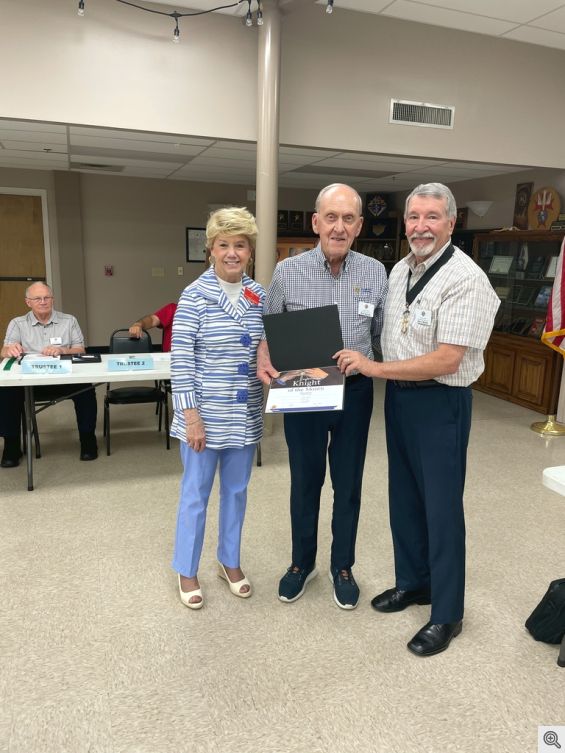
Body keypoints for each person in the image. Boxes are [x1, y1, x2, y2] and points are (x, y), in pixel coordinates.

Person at [334, 182, 500, 655]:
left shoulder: (466, 280)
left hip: (441, 403)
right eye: (413, 217)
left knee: (442, 509)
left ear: (451, 223)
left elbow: (448, 359)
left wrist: (374, 369)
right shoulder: (401, 269)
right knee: (404, 497)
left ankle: (447, 613)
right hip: (401, 401)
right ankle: (414, 583)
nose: (420, 227)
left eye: (432, 217)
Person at [258, 183, 388, 610]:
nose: (338, 226)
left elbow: (380, 337)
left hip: (356, 392)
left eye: (348, 219)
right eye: (331, 217)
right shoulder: (287, 272)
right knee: (305, 482)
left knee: (348, 484)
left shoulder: (374, 272)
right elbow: (268, 330)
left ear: (359, 226)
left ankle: (343, 566)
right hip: (304, 391)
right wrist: (265, 359)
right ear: (315, 222)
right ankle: (301, 564)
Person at [170, 207, 265, 609]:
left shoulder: (258, 294)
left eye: (240, 245)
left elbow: (266, 342)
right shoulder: (194, 296)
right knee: (196, 494)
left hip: (245, 414)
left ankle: (229, 560)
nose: (232, 252)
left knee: (237, 492)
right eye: (224, 244)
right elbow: (181, 360)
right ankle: (186, 568)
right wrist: (191, 417)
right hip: (204, 418)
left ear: (249, 251)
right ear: (210, 249)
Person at [0, 282, 98, 467]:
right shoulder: (17, 323)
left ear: (52, 299)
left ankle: (88, 440)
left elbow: (80, 349)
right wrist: (9, 349)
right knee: (6, 391)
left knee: (86, 388)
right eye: (38, 298)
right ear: (28, 302)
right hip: (30, 381)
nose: (43, 302)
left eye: (47, 297)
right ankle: (11, 446)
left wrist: (62, 349)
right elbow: (4, 350)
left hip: (63, 377)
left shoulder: (69, 320)